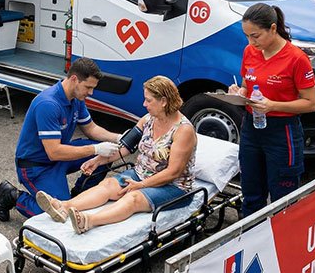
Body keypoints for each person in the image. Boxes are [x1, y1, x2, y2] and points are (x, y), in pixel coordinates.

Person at [34, 76, 197, 234]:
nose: (144, 104)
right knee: (108, 185)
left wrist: (141, 185)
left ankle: (88, 221)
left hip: (173, 186)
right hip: (141, 174)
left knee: (133, 198)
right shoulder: (148, 119)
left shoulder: (183, 131)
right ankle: (63, 206)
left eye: (148, 100)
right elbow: (124, 147)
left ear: (163, 101)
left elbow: (173, 172)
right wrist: (98, 160)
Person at [0, 58, 121, 222]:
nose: (91, 93)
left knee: (108, 154)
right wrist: (95, 150)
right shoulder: (48, 104)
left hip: (59, 157)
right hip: (36, 167)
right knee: (60, 216)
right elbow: (54, 152)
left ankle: (79, 197)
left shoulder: (75, 99)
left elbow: (91, 129)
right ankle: (12, 196)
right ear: (74, 79)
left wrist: (118, 137)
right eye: (88, 87)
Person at [228, 3, 315, 217]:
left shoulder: (296, 58)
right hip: (251, 127)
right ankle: (248, 242)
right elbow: (247, 85)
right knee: (251, 194)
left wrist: (274, 105)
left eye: (256, 36)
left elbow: (311, 103)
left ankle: (282, 243)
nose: (251, 42)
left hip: (282, 131)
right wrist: (239, 92)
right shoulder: (250, 51)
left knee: (283, 199)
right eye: (247, 36)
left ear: (274, 29)